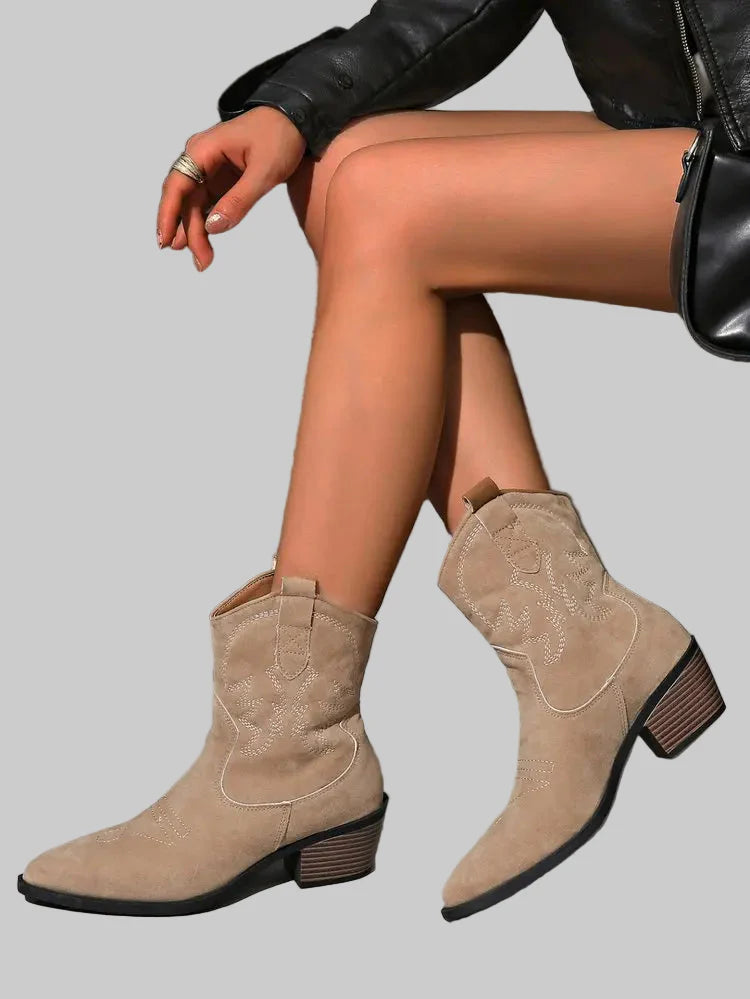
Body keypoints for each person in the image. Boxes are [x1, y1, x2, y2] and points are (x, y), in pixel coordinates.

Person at [19, 1, 738, 920]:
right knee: (339, 164)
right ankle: (579, 641)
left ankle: (288, 754)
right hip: (709, 141)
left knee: (389, 204)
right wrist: (290, 108)